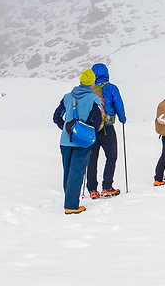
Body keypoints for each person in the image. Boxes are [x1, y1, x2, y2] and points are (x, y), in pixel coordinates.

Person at [52, 68, 103, 215]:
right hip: (82, 141)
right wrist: (87, 133)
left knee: (68, 172)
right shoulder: (94, 99)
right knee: (77, 172)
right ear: (92, 83)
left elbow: (56, 116)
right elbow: (97, 120)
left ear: (81, 81)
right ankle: (71, 206)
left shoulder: (68, 97)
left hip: (65, 141)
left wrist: (66, 129)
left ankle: (69, 199)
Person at [85, 63, 126, 199]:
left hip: (91, 129)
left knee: (92, 159)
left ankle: (92, 189)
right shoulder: (111, 87)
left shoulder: (89, 89)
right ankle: (107, 187)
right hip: (107, 127)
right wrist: (122, 118)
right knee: (111, 156)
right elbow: (118, 104)